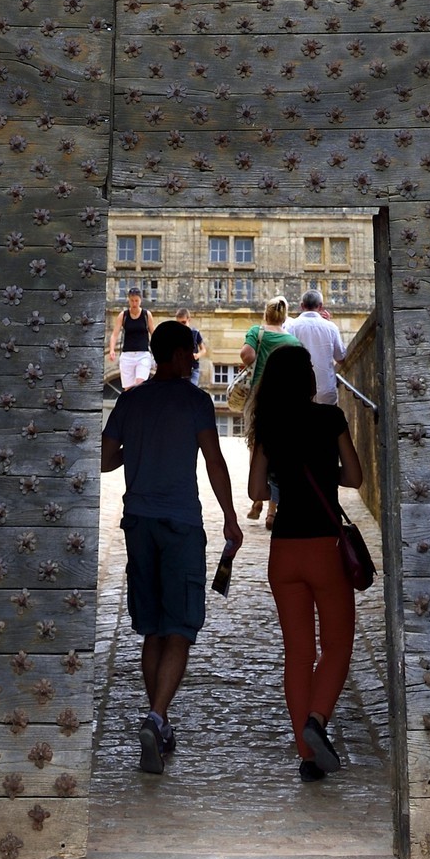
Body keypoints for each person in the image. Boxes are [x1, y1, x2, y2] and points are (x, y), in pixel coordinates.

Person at [101, 319, 243, 773]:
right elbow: (215, 461)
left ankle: (157, 722)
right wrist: (231, 518)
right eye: (191, 352)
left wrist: (136, 449)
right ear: (179, 355)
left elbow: (105, 458)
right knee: (180, 625)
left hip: (138, 522)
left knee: (152, 629)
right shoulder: (196, 401)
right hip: (181, 524)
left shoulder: (130, 400)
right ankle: (157, 716)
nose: (194, 359)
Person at [248, 341, 364, 783]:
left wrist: (289, 476)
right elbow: (354, 477)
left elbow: (257, 490)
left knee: (297, 653)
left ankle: (307, 756)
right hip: (325, 549)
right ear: (309, 379)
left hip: (284, 553)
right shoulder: (330, 417)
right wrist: (324, 471)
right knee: (336, 646)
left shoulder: (269, 428)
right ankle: (317, 721)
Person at [240, 295, 296, 523]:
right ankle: (273, 510)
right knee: (280, 451)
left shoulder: (257, 332)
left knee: (255, 445)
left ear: (266, 313)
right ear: (284, 317)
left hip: (259, 397)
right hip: (284, 401)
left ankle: (257, 499)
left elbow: (247, 355)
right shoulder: (293, 341)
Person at [289, 287, 346, 404]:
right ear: (320, 306)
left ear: (302, 305)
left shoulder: (291, 326)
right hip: (325, 389)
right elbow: (341, 358)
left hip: (298, 388)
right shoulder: (331, 327)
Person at [113, 287, 155, 389]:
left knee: (140, 383)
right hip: (127, 355)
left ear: (140, 300)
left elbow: (153, 334)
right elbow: (114, 334)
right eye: (132, 300)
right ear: (129, 300)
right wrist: (111, 350)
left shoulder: (146, 315)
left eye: (136, 300)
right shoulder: (123, 315)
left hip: (143, 354)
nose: (134, 303)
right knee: (128, 389)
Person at [175, 306, 206, 386]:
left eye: (183, 322)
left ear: (189, 320)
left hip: (193, 369)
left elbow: (203, 350)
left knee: (191, 390)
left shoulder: (195, 333)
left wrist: (197, 355)